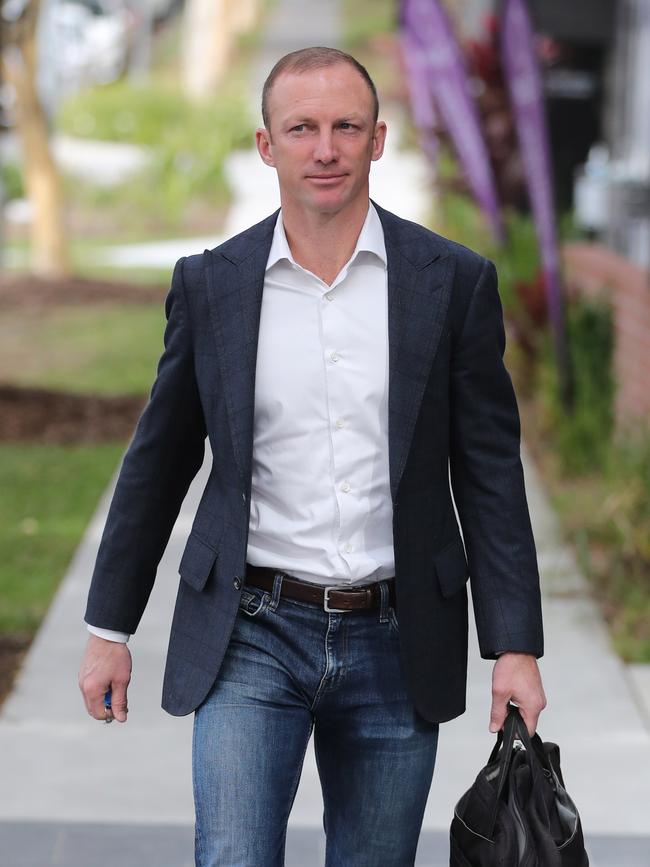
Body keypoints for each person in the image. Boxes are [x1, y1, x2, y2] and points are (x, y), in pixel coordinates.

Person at [79, 46, 546, 867]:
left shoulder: (453, 281)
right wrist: (107, 626)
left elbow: (489, 476)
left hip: (399, 640)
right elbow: (159, 460)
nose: (324, 148)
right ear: (267, 145)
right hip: (250, 630)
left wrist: (515, 646)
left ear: (378, 140)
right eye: (301, 128)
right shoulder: (211, 284)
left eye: (345, 127)